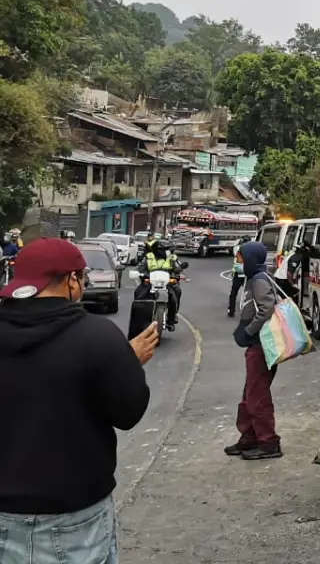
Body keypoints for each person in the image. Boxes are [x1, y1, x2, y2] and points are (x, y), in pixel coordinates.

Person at [0, 237, 158, 562]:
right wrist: (125, 361)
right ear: (72, 281)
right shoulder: (97, 336)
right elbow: (128, 411)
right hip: (73, 517)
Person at [227, 241, 283, 460]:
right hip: (256, 344)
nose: (238, 261)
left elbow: (267, 308)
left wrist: (249, 331)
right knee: (249, 393)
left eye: (240, 257)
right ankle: (249, 438)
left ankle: (269, 444)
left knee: (257, 395)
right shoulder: (255, 277)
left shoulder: (259, 280)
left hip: (261, 345)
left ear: (250, 258)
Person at [130, 237, 183, 336]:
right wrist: (139, 274)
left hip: (168, 283)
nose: (169, 251)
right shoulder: (148, 258)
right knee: (138, 292)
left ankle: (171, 318)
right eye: (167, 250)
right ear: (160, 250)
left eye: (169, 249)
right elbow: (139, 268)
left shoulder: (172, 258)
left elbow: (178, 268)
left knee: (177, 291)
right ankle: (138, 316)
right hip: (150, 282)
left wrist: (178, 272)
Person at [228, 237, 248, 318]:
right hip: (247, 273)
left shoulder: (237, 248)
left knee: (233, 293)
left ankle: (231, 310)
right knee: (249, 293)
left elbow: (235, 254)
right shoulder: (250, 251)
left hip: (238, 273)